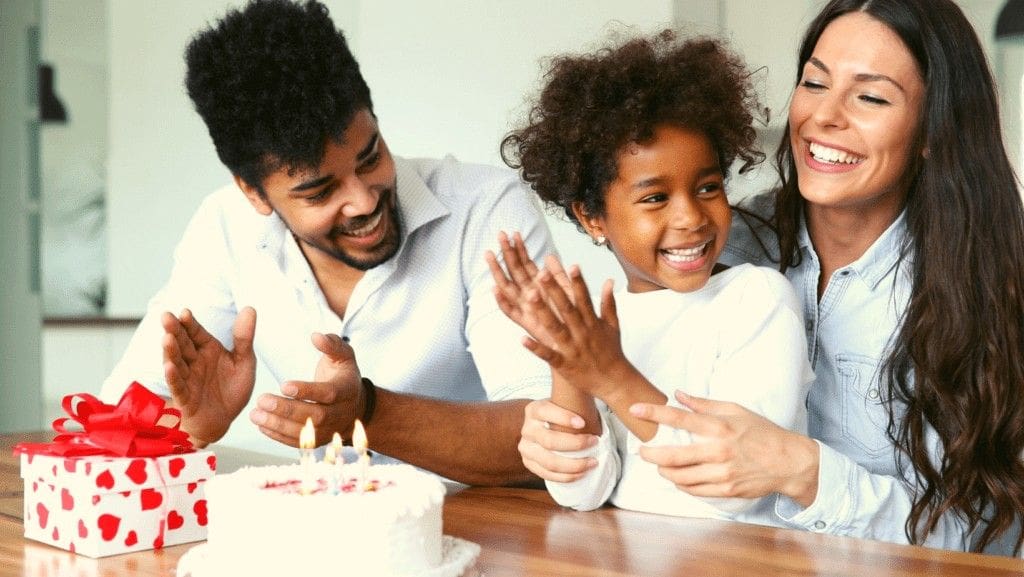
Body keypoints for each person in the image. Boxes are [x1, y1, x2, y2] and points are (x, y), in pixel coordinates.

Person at [517, 0, 1024, 555]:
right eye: (814, 83)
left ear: (934, 129)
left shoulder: (990, 284)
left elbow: (984, 538)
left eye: (871, 96)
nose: (824, 117)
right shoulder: (725, 246)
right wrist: (565, 424)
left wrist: (804, 471)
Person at [99, 0, 556, 487]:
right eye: (320, 191)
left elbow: (555, 429)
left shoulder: (485, 210)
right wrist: (192, 428)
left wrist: (369, 412)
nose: (362, 201)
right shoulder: (224, 227)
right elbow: (120, 414)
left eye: (370, 157)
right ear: (253, 192)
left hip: (495, 539)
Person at [489, 31, 813, 523]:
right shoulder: (603, 327)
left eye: (708, 187)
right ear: (592, 217)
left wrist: (611, 375)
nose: (690, 218)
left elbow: (737, 490)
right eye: (655, 198)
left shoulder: (758, 299)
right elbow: (582, 493)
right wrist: (568, 361)